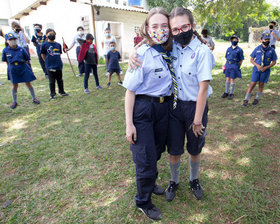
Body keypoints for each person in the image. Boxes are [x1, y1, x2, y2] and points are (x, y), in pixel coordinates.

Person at [129, 7, 214, 203]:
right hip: (174, 107)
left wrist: (198, 120)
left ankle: (194, 179)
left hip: (196, 107)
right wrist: (135, 50)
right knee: (174, 149)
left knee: (195, 147)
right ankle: (174, 181)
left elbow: (203, 89)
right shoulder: (172, 45)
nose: (179, 32)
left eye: (185, 27)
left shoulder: (202, 52)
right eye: (175, 29)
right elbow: (150, 42)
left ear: (192, 26)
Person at [124, 7, 173, 221]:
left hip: (164, 109)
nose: (160, 30)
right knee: (145, 159)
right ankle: (143, 201)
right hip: (144, 109)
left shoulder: (171, 50)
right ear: (147, 28)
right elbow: (130, 92)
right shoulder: (140, 55)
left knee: (156, 151)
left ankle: (151, 183)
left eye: (164, 26)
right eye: (155, 26)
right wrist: (129, 124)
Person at [2, 32, 40, 109]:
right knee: (14, 85)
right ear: (7, 41)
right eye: (11, 39)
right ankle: (14, 101)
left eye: (14, 39)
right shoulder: (5, 50)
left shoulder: (21, 49)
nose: (13, 41)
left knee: (28, 83)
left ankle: (34, 98)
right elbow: (6, 61)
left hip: (23, 67)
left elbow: (27, 59)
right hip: (13, 68)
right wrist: (10, 69)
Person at [243, 33, 277, 106]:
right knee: (252, 84)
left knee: (261, 84)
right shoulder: (257, 49)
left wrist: (266, 67)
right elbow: (251, 59)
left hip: (265, 70)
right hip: (256, 69)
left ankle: (257, 99)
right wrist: (257, 65)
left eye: (268, 39)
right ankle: (246, 99)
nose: (266, 41)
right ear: (261, 40)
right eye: (265, 39)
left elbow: (274, 62)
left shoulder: (271, 50)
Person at [41, 28, 68, 100]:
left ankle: (61, 91)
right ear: (46, 35)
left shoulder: (58, 45)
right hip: (50, 65)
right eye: (50, 34)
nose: (51, 35)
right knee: (52, 81)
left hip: (58, 65)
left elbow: (59, 54)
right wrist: (46, 62)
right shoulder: (44, 45)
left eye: (53, 34)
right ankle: (52, 94)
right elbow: (43, 55)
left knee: (60, 79)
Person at [221, 35, 244, 100]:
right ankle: (226, 92)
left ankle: (231, 93)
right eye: (233, 40)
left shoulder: (239, 50)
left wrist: (238, 66)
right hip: (228, 65)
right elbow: (227, 58)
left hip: (235, 65)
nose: (234, 41)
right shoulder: (229, 49)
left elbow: (241, 60)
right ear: (231, 41)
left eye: (235, 40)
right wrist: (225, 65)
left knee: (232, 79)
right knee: (227, 78)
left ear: (238, 40)